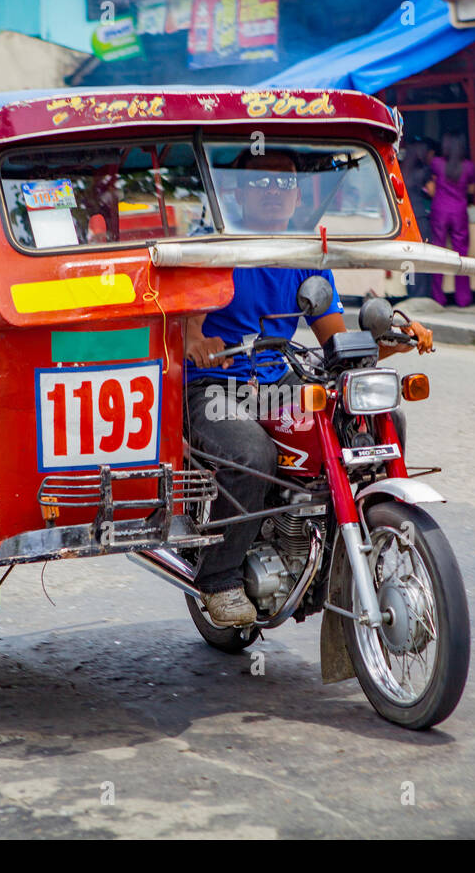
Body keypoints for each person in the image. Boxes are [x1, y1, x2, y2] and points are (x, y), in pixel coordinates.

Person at [183, 150, 435, 627]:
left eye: (284, 183)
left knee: (379, 420)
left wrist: (393, 342)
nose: (274, 193)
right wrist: (194, 339)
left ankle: (347, 535)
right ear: (236, 192)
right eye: (260, 183)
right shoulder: (213, 245)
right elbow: (186, 322)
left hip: (278, 380)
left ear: (298, 194)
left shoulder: (304, 252)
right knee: (251, 457)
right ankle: (218, 579)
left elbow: (337, 344)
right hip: (214, 384)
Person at [426, 132, 475, 307]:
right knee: (461, 254)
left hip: (440, 210)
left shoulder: (437, 164)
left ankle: (438, 298)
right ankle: (463, 299)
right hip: (459, 212)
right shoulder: (469, 167)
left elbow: (432, 187)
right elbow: (471, 190)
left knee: (438, 253)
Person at [400, 135, 436, 245]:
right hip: (419, 213)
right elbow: (432, 192)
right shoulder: (423, 170)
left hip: (402, 213)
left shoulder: (400, 168)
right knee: (425, 246)